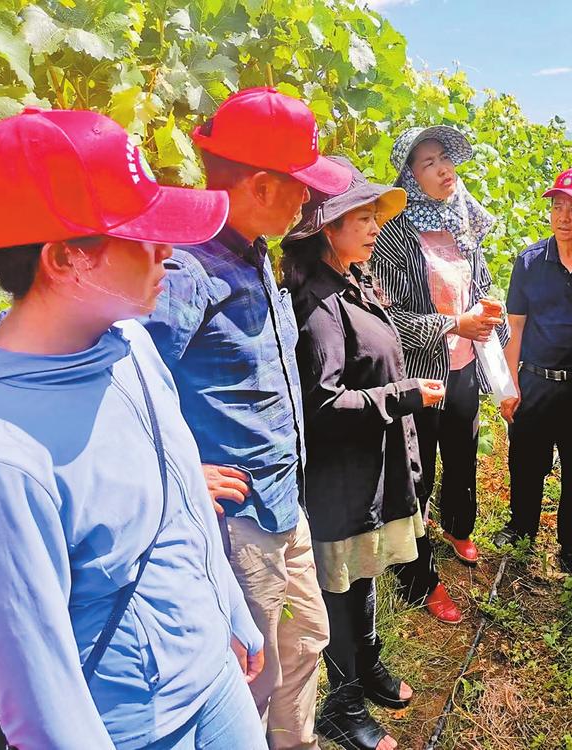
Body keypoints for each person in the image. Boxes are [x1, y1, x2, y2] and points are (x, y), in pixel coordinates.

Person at [0, 108, 267, 749]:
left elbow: (181, 497)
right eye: (143, 234)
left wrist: (227, 605)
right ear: (67, 261)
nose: (168, 251)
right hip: (133, 730)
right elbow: (41, 698)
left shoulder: (130, 344)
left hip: (215, 685)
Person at [144, 87, 352, 750]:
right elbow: (125, 384)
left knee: (306, 637)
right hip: (236, 524)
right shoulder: (187, 271)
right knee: (250, 670)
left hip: (282, 501)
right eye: (300, 186)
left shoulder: (255, 252)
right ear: (261, 186)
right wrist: (178, 470)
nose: (308, 200)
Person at [281, 158, 442, 750]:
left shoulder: (354, 282)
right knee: (340, 587)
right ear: (328, 228)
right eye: (362, 217)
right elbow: (322, 404)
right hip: (341, 479)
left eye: (376, 215)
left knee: (363, 572)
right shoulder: (318, 303)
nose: (375, 226)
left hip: (369, 468)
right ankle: (342, 706)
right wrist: (404, 395)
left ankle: (367, 667)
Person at [370, 126, 508, 621]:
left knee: (463, 452)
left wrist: (488, 309)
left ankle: (457, 527)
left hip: (464, 366)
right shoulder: (395, 233)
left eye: (444, 158)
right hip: (421, 375)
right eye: (428, 162)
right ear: (410, 174)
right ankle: (417, 572)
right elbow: (389, 320)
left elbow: (480, 280)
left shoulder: (461, 216)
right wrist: (452, 324)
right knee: (418, 471)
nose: (443, 168)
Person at [494, 169, 572, 574]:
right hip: (536, 379)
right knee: (526, 460)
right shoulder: (530, 261)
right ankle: (521, 527)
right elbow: (515, 327)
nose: (562, 216)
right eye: (557, 207)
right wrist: (509, 384)